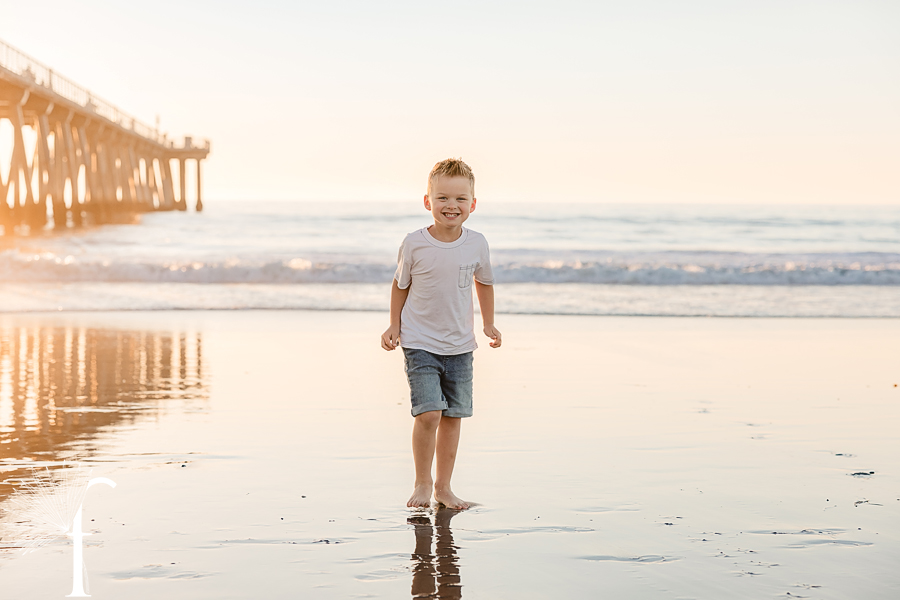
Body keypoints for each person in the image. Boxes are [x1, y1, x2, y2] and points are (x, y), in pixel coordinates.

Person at [381, 158, 501, 510]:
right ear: (428, 201)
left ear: (473, 204)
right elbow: (400, 284)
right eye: (443, 198)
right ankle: (422, 482)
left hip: (460, 344)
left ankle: (443, 488)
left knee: (453, 416)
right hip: (419, 341)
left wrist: (488, 323)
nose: (452, 205)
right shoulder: (414, 243)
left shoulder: (477, 243)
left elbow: (485, 282)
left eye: (461, 199)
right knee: (429, 413)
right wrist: (393, 324)